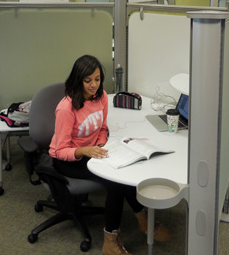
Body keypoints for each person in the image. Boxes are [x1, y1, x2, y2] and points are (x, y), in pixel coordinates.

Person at [49, 55, 171, 255]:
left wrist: (99, 141)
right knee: (115, 184)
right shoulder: (66, 108)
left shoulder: (102, 97)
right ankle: (110, 242)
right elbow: (59, 150)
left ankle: (143, 220)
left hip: (93, 151)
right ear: (78, 80)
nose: (93, 85)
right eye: (88, 80)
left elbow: (103, 128)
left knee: (127, 172)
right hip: (69, 158)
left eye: (97, 79)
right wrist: (85, 150)